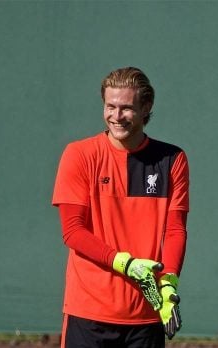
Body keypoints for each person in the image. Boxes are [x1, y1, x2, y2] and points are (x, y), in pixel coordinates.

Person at [52, 67, 189, 348]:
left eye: (126, 108)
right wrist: (126, 264)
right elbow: (72, 231)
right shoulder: (79, 155)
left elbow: (175, 230)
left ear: (146, 107)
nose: (116, 116)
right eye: (110, 106)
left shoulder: (172, 159)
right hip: (88, 313)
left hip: (146, 317)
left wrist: (168, 284)